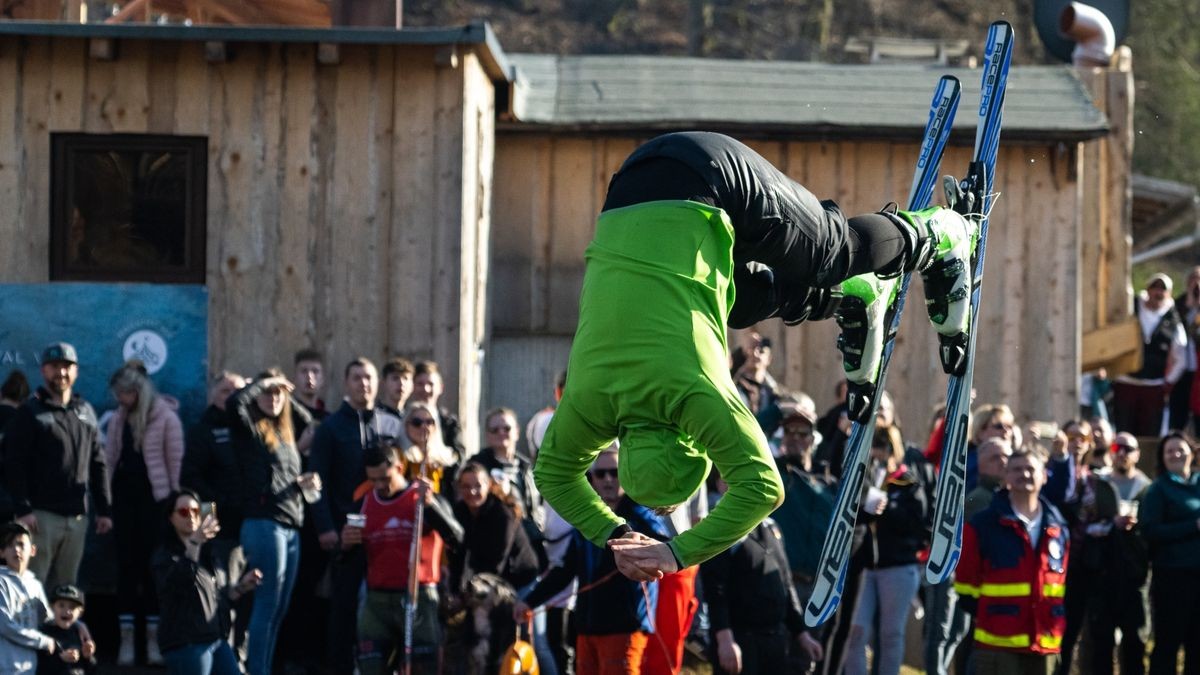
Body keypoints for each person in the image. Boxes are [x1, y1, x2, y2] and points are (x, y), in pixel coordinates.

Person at [533, 131, 979, 581]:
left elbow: (764, 489)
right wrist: (615, 534)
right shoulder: (590, 401)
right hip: (631, 189)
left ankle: (943, 232)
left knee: (831, 251)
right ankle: (854, 295)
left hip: (711, 177)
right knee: (742, 303)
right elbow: (552, 474)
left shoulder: (697, 397)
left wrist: (676, 554)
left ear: (696, 444)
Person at [516, 448, 671, 675]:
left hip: (624, 627)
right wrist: (529, 602)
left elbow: (663, 545)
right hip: (587, 627)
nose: (608, 479)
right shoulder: (588, 521)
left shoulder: (641, 514)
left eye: (615, 472)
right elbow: (565, 571)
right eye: (600, 474)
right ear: (592, 479)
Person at [308, 357, 403, 673]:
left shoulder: (390, 423)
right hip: (346, 531)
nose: (364, 384)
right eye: (357, 378)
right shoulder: (331, 428)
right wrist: (325, 527)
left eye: (369, 378)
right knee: (344, 610)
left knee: (384, 610)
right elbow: (316, 481)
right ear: (346, 383)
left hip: (386, 533)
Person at [226, 370, 320, 675]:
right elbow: (234, 404)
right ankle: (257, 670)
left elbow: (310, 420)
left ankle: (262, 667)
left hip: (291, 522)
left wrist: (306, 481)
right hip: (264, 522)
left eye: (279, 393)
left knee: (279, 609)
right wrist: (263, 384)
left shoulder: (286, 434)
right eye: (268, 393)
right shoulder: (249, 429)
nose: (274, 398)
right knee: (265, 606)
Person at [340, 443, 463, 675]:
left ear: (399, 467)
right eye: (373, 480)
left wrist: (432, 507)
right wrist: (344, 546)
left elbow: (458, 538)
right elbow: (345, 559)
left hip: (419, 597)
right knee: (370, 666)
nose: (380, 486)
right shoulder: (364, 503)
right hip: (378, 600)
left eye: (385, 478)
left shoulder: (422, 497)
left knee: (422, 668)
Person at [2, 342, 112, 593]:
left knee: (66, 591)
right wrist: (23, 508)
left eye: (66, 367)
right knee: (32, 587)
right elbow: (14, 463)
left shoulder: (84, 412)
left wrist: (104, 509)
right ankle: (28, 633)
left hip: (77, 518)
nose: (60, 373)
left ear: (75, 372)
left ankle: (60, 635)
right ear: (43, 371)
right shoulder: (30, 412)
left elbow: (98, 462)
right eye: (54, 367)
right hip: (40, 517)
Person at [955, 450, 1069, 675]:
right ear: (1005, 476)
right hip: (997, 646)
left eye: (1031, 469)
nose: (1024, 474)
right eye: (1016, 469)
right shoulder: (983, 525)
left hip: (1045, 646)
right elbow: (966, 587)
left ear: (1044, 476)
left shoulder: (1059, 528)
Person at [104, 361, 184, 666]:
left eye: (123, 393)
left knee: (153, 570)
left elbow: (174, 462)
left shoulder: (166, 418)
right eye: (118, 395)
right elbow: (110, 460)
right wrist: (105, 501)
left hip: (155, 504)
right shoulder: (118, 420)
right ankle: (126, 641)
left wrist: (173, 504)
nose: (120, 400)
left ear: (137, 391)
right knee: (127, 568)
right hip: (124, 503)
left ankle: (153, 641)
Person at [845, 425, 928, 675]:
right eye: (876, 447)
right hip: (864, 567)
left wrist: (888, 508)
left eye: (885, 447)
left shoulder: (908, 482)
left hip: (898, 566)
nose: (879, 453)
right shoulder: (863, 479)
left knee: (891, 633)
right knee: (856, 630)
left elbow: (917, 523)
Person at [151, 490, 262, 675]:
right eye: (184, 512)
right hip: (186, 643)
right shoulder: (164, 555)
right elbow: (178, 583)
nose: (192, 517)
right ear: (171, 517)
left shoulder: (208, 553)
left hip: (215, 639)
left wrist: (242, 587)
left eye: (196, 511)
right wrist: (194, 543)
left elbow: (216, 599)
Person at [701, 512, 823, 675]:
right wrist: (725, 640)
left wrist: (801, 633)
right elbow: (715, 591)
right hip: (742, 641)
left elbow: (786, 583)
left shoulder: (771, 526)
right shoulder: (721, 526)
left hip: (775, 641)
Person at [1138, 432, 1200, 674]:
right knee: (1168, 644)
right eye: (1169, 451)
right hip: (1173, 578)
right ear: (1162, 458)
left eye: (1180, 449)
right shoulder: (1158, 490)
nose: (1176, 454)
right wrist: (1192, 526)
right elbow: (1150, 531)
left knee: (1197, 645)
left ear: (1191, 451)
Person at [450, 462, 541, 597]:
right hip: (491, 579)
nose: (472, 491)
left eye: (478, 486)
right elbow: (460, 552)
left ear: (488, 485)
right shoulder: (460, 511)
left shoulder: (502, 514)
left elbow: (497, 561)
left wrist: (467, 594)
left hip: (520, 579)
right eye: (466, 486)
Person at [1114, 274, 1187, 436]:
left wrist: (1168, 382)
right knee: (1123, 430)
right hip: (1126, 382)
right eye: (1155, 288)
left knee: (1149, 433)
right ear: (1148, 290)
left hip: (1153, 386)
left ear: (1168, 293)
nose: (1158, 292)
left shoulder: (1173, 320)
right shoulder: (1131, 309)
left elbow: (1180, 357)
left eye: (1163, 289)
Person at [0, 522, 63, 673]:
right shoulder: (1, 581)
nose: (16, 549)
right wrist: (44, 642)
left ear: (33, 550)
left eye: (21, 544)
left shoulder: (35, 584)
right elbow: (5, 626)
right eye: (9, 545)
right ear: (1, 552)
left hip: (30, 668)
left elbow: (47, 620)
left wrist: (78, 626)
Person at [410, 361, 466, 458]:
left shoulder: (449, 423)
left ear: (440, 388)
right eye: (420, 384)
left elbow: (459, 456)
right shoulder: (403, 419)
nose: (426, 389)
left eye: (431, 384)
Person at [37, 585, 96, 675]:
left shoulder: (80, 632)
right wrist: (60, 660)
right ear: (52, 607)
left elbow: (91, 670)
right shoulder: (44, 633)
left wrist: (88, 657)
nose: (67, 611)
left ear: (80, 613)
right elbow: (38, 667)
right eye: (61, 605)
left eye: (72, 607)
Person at [401, 403, 457, 494]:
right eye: (417, 422)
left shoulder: (447, 458)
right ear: (406, 426)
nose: (424, 426)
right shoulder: (398, 455)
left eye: (429, 422)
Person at [1110, 432, 1152, 501]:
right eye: (1116, 447)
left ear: (1137, 455)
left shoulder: (1146, 487)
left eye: (1127, 449)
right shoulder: (1101, 481)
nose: (1121, 453)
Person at [291, 349, 327, 420]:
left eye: (315, 371)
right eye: (304, 371)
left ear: (322, 379)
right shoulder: (286, 417)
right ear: (295, 378)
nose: (309, 376)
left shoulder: (330, 420)